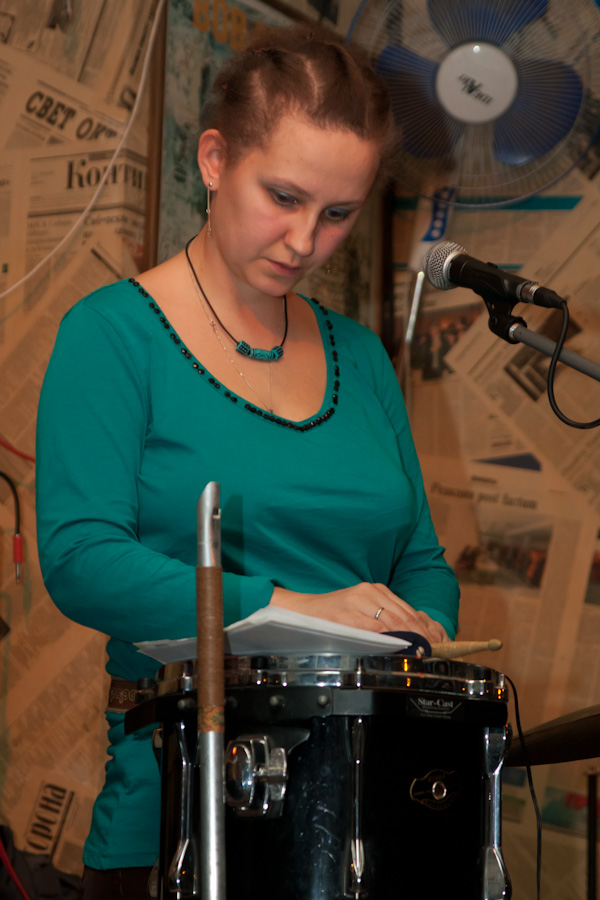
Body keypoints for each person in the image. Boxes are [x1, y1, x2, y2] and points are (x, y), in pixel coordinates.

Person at [35, 24, 459, 900]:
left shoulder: (363, 358)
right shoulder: (112, 335)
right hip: (182, 814)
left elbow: (419, 559)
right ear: (215, 159)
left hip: (367, 812)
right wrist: (296, 610)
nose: (305, 240)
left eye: (338, 214)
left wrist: (426, 629)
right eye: (284, 196)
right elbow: (81, 560)